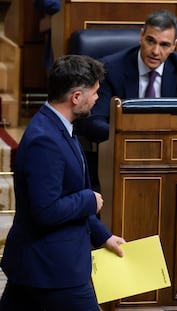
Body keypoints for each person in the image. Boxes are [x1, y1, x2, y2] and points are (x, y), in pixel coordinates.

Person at [0, 55, 126, 311]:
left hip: (40, 267)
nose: (97, 98)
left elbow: (69, 191)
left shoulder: (59, 128)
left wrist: (104, 237)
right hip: (52, 270)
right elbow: (46, 210)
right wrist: (89, 200)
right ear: (76, 97)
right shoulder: (44, 140)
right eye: (94, 92)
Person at [74, 9, 177, 191]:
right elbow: (94, 122)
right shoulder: (112, 68)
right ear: (141, 36)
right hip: (122, 156)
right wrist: (134, 138)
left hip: (170, 156)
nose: (155, 51)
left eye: (164, 45)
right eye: (150, 41)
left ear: (174, 46)